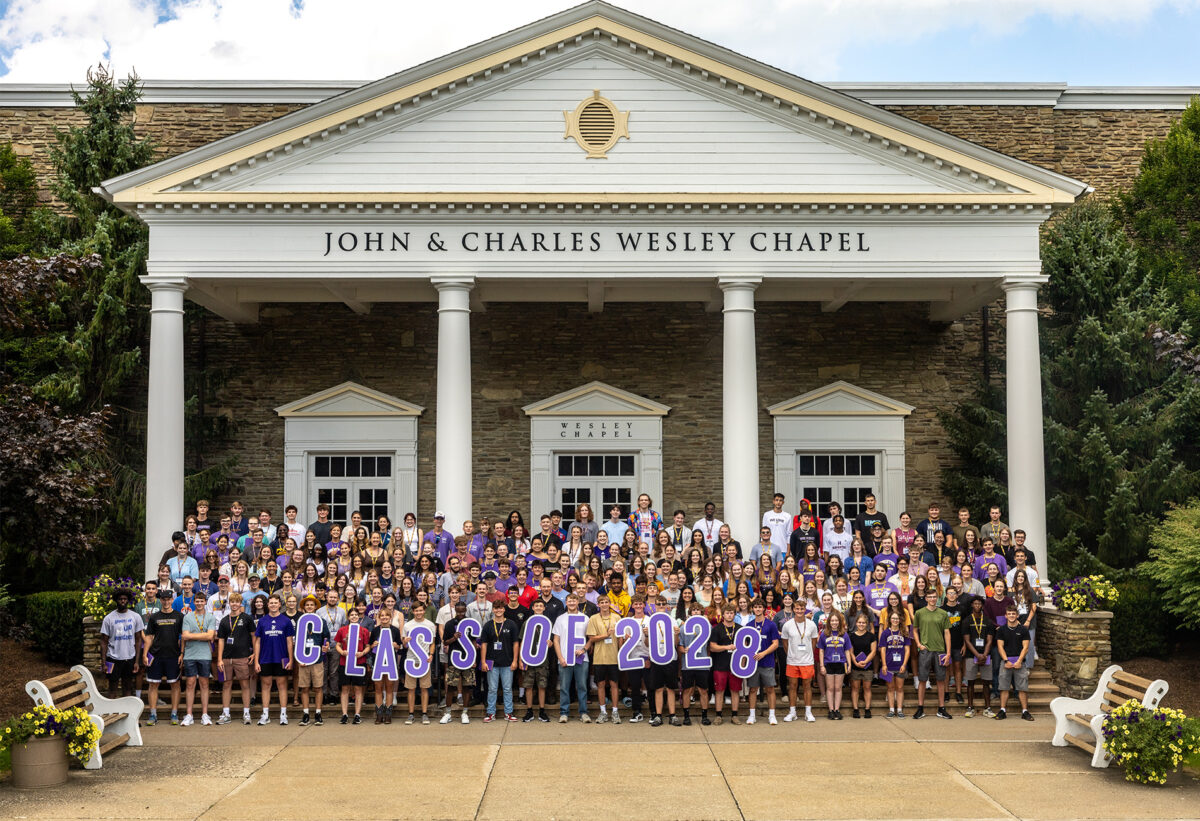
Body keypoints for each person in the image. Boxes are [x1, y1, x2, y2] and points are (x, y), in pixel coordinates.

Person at [254, 593, 296, 725]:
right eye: (271, 603)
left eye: (275, 603)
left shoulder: (286, 621)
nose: (273, 605)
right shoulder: (262, 621)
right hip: (265, 658)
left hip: (281, 658)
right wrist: (256, 661)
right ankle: (265, 714)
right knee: (266, 685)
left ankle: (283, 714)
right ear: (268, 605)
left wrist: (290, 659)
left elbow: (290, 642)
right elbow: (257, 642)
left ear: (279, 605)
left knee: (282, 685)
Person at [144, 587, 184, 726]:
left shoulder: (179, 616)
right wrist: (145, 654)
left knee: (175, 684)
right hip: (156, 655)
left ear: (172, 600)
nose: (166, 602)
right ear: (160, 600)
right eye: (164, 599)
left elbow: (183, 637)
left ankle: (174, 713)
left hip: (173, 655)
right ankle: (153, 714)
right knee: (153, 684)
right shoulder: (155, 617)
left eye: (168, 599)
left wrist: (182, 653)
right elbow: (149, 637)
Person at [216, 592, 255, 725]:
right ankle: (226, 713)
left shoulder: (247, 618)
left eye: (237, 602)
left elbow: (254, 636)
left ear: (240, 603)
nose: (234, 604)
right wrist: (220, 658)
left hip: (242, 657)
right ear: (229, 603)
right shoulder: (224, 620)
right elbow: (221, 640)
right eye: (232, 602)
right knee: (226, 685)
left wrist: (254, 652)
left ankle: (246, 713)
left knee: (245, 684)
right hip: (227, 657)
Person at [913, 589, 952, 720]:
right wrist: (918, 644)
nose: (932, 599)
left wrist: (948, 652)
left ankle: (941, 708)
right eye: (930, 596)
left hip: (940, 650)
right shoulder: (919, 613)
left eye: (934, 597)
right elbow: (915, 630)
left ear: (938, 598)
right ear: (926, 598)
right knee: (922, 679)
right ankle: (920, 708)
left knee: (941, 680)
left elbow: (947, 633)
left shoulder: (943, 613)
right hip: (925, 650)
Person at [180, 589, 218, 726]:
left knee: (204, 684)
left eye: (202, 601)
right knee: (190, 684)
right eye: (197, 601)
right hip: (190, 654)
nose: (200, 603)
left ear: (205, 602)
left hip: (205, 655)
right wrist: (203, 636)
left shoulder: (210, 617)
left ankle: (204, 714)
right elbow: (185, 636)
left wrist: (193, 636)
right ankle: (189, 714)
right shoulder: (188, 617)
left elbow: (210, 636)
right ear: (194, 602)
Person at [552, 593, 591, 723]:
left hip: (581, 658)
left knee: (582, 686)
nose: (572, 603)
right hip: (564, 658)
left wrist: (584, 649)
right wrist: (560, 657)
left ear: (577, 602)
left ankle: (584, 712)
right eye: (569, 601)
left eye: (574, 600)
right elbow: (556, 640)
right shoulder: (560, 619)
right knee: (564, 686)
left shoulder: (585, 618)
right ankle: (564, 713)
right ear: (566, 603)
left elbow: (591, 638)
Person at [480, 599, 521, 722]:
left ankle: (508, 712)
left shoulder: (511, 624)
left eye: (500, 608)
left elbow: (515, 644)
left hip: (507, 662)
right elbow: (484, 645)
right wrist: (483, 662)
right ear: (493, 610)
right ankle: (490, 713)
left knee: (507, 689)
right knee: (492, 689)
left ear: (504, 609)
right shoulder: (488, 625)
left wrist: (515, 661)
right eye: (496, 608)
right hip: (492, 662)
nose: (498, 610)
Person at [99, 588, 144, 698]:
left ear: (128, 600)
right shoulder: (109, 618)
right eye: (120, 599)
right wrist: (104, 662)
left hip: (129, 658)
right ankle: (111, 713)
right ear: (116, 600)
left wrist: (137, 661)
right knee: (112, 689)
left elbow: (138, 640)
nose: (122, 601)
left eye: (125, 599)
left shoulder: (135, 617)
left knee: (128, 688)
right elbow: (104, 641)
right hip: (113, 658)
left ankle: (126, 713)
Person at [780, 598, 818, 723]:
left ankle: (808, 713)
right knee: (792, 686)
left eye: (802, 609)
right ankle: (792, 712)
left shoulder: (812, 624)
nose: (800, 611)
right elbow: (785, 643)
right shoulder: (787, 625)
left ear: (805, 609)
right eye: (797, 608)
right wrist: (791, 654)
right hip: (792, 661)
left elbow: (813, 642)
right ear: (793, 609)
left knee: (807, 686)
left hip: (807, 661)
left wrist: (807, 654)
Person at [295, 595, 330, 726]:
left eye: (312, 605)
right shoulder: (300, 622)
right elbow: (296, 641)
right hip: (303, 658)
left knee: (318, 687)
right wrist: (298, 657)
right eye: (307, 605)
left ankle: (318, 713)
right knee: (304, 688)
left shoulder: (321, 621)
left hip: (317, 659)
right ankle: (305, 714)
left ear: (316, 607)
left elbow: (326, 637)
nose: (309, 607)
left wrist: (325, 646)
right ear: (303, 607)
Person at [744, 597, 780, 725]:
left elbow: (775, 643)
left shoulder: (771, 625)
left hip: (767, 661)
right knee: (753, 689)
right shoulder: (749, 626)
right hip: (753, 663)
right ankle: (752, 715)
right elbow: (745, 645)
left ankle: (772, 715)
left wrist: (763, 653)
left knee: (770, 689)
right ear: (752, 609)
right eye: (755, 607)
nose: (758, 609)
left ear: (764, 608)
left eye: (760, 607)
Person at [996, 604, 1034, 721]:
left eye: (1013, 614)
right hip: (1006, 662)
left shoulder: (1023, 629)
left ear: (1017, 615)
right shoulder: (1001, 629)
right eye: (1009, 614)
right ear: (1005, 616)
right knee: (1004, 687)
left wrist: (1019, 661)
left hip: (1019, 662)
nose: (1011, 616)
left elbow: (1026, 647)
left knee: (1022, 688)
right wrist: (1006, 660)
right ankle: (1002, 710)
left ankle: (1025, 711)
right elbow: (1000, 646)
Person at [586, 594, 621, 724]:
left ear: (609, 603)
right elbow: (592, 638)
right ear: (598, 605)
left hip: (613, 656)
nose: (605, 604)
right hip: (599, 657)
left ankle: (615, 712)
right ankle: (603, 712)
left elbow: (621, 637)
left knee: (614, 684)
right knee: (600, 684)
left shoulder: (617, 617)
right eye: (602, 602)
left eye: (607, 602)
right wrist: (606, 635)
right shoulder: (594, 618)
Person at [678, 601, 712, 726]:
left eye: (698, 610)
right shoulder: (683, 627)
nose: (696, 612)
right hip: (688, 664)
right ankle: (686, 716)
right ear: (690, 613)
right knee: (687, 690)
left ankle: (704, 716)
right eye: (694, 610)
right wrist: (683, 650)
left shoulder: (707, 627)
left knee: (703, 690)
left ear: (702, 613)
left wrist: (707, 657)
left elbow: (710, 646)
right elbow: (680, 646)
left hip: (702, 663)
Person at [519, 597, 552, 723]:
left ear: (544, 608)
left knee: (541, 686)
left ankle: (542, 711)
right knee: (528, 686)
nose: (538, 607)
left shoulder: (548, 622)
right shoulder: (527, 623)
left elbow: (553, 640)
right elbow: (522, 641)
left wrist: (550, 643)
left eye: (540, 606)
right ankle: (529, 711)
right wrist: (521, 659)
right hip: (528, 659)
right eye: (536, 606)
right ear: (532, 608)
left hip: (542, 660)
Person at [335, 606, 370, 724]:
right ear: (348, 617)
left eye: (356, 615)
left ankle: (357, 714)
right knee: (345, 688)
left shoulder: (364, 630)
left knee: (358, 689)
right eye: (352, 615)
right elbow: (338, 645)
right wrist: (342, 652)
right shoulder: (342, 630)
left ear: (359, 616)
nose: (354, 617)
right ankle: (344, 714)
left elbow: (368, 646)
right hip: (344, 663)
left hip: (359, 663)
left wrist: (362, 653)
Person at [402, 601, 435, 725]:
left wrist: (431, 655)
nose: (419, 613)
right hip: (411, 660)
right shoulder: (408, 625)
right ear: (412, 612)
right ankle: (411, 714)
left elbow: (432, 643)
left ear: (424, 611)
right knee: (411, 688)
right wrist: (405, 641)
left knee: (424, 687)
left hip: (424, 660)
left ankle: (424, 714)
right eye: (416, 611)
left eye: (421, 610)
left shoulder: (430, 625)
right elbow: (404, 645)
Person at [963, 594, 995, 718]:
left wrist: (985, 654)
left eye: (979, 604)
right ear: (972, 605)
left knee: (986, 682)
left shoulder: (987, 621)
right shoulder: (967, 621)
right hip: (971, 655)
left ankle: (987, 707)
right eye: (975, 604)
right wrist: (977, 654)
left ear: (982, 605)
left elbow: (990, 639)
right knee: (970, 682)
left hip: (986, 655)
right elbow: (967, 640)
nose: (977, 606)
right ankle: (970, 707)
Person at [369, 608, 402, 724]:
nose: (384, 618)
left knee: (389, 688)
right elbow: (370, 646)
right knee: (378, 688)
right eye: (382, 616)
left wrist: (396, 645)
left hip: (390, 662)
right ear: (379, 617)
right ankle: (379, 714)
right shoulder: (375, 631)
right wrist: (373, 645)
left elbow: (400, 646)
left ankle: (388, 714)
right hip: (378, 662)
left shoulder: (395, 631)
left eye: (386, 616)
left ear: (390, 617)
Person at [709, 605, 741, 724]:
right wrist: (726, 647)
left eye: (731, 613)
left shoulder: (740, 629)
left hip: (736, 666)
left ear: (734, 614)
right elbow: (712, 647)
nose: (729, 615)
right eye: (727, 613)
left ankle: (734, 715)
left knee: (735, 691)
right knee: (719, 690)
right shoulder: (717, 629)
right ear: (723, 615)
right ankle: (718, 716)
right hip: (720, 665)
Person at [818, 609, 849, 720]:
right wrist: (821, 665)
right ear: (829, 622)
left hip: (840, 663)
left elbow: (847, 650)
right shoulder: (824, 634)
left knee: (838, 688)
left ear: (840, 622)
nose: (834, 623)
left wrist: (848, 664)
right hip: (828, 663)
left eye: (836, 621)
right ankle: (831, 710)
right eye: (832, 620)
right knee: (830, 688)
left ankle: (837, 709)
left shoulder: (844, 635)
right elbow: (821, 650)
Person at [879, 610, 911, 718]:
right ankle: (892, 709)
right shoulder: (885, 633)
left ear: (900, 620)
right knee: (890, 688)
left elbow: (907, 650)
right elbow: (882, 650)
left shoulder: (904, 633)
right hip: (889, 665)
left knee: (900, 688)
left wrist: (904, 664)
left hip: (900, 665)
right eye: (893, 618)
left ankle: (900, 710)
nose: (895, 620)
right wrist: (884, 664)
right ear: (889, 620)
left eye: (897, 619)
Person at [847, 613, 877, 718]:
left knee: (867, 687)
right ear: (856, 623)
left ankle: (867, 709)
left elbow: (873, 651)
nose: (861, 624)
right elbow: (850, 652)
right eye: (859, 622)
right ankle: (855, 709)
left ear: (867, 624)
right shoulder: (851, 636)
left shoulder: (871, 636)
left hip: (867, 666)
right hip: (856, 666)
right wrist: (855, 662)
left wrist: (865, 661)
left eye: (863, 623)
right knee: (855, 688)